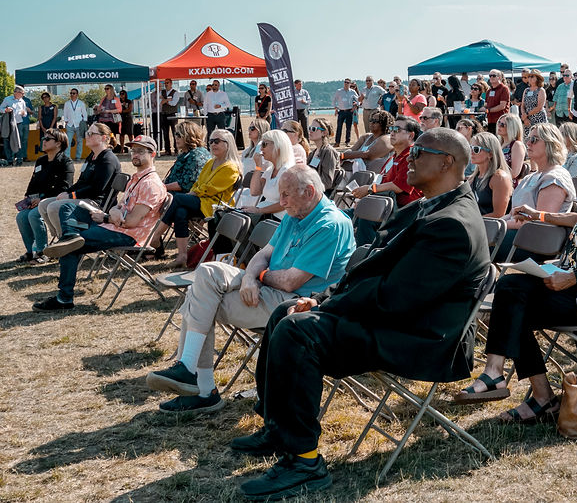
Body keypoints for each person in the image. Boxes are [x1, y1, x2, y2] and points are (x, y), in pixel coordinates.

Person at [229, 130, 489, 500]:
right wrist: (322, 297)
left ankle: (304, 460)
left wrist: (326, 305)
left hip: (420, 336)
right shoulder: (427, 206)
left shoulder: (453, 224)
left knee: (299, 331)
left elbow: (394, 297)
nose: (408, 157)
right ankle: (278, 428)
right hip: (393, 316)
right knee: (286, 312)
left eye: (418, 151)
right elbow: (368, 271)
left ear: (446, 163)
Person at [456, 117, 577, 423]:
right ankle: (530, 393)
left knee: (511, 292)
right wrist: (540, 215)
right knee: (512, 303)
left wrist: (573, 276)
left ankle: (505, 381)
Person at [147, 165, 356, 414]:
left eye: (286, 194)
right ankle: (191, 374)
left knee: (199, 298)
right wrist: (248, 279)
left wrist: (259, 277)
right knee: (207, 273)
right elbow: (265, 253)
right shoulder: (296, 212)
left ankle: (201, 387)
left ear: (309, 191)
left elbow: (291, 281)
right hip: (266, 289)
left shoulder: (329, 224)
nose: (281, 201)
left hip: (294, 305)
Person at [37, 136, 168, 311]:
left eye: (140, 151)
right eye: (133, 150)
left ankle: (64, 299)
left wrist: (107, 217)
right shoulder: (136, 178)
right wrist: (113, 212)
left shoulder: (151, 184)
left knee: (69, 247)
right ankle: (70, 236)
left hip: (128, 235)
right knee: (67, 207)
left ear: (153, 154)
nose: (135, 154)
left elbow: (130, 222)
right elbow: (121, 206)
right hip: (113, 225)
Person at [152, 129, 241, 267]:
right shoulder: (210, 163)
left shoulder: (230, 167)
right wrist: (193, 192)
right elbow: (197, 183)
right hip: (202, 202)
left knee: (179, 199)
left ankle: (156, 235)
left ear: (228, 144)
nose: (213, 144)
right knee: (180, 211)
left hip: (216, 206)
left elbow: (211, 189)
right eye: (211, 141)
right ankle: (182, 256)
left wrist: (193, 194)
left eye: (217, 141)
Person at [496, 122, 575, 257]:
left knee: (473, 246)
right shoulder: (531, 176)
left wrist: (499, 226)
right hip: (518, 234)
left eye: (534, 140)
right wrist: (494, 224)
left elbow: (539, 221)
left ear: (551, 144)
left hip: (535, 242)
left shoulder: (554, 178)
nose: (528, 144)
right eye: (528, 139)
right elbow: (512, 214)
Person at [37, 123, 120, 240]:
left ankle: (68, 241)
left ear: (104, 138)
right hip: (83, 199)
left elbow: (97, 189)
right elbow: (81, 182)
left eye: (91, 133)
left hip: (96, 204)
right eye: (87, 133)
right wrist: (67, 193)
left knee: (53, 207)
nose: (87, 136)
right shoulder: (91, 156)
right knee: (43, 205)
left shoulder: (108, 159)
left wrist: (71, 195)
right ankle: (63, 235)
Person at [16, 129, 74, 263]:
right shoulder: (41, 161)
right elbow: (33, 182)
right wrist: (28, 197)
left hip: (54, 201)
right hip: (37, 200)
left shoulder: (66, 162)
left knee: (33, 215)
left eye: (47, 139)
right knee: (21, 216)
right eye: (43, 139)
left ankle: (42, 251)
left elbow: (64, 188)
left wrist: (42, 199)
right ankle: (31, 251)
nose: (44, 142)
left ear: (59, 143)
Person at [351, 115, 423, 208]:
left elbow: (399, 187)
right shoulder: (394, 156)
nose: (392, 133)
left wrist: (369, 189)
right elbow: (382, 181)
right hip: (384, 206)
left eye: (397, 129)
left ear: (411, 135)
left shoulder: (411, 157)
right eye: (391, 129)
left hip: (400, 211)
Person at [239, 130, 295, 219]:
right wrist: (258, 167)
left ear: (277, 146)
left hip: (278, 219)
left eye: (264, 144)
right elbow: (254, 191)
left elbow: (287, 203)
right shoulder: (270, 170)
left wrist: (259, 210)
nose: (261, 148)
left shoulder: (288, 171)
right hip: (266, 215)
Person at [469, 132, 513, 217]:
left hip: (493, 228)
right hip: (478, 225)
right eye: (470, 148)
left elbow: (498, 214)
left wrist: (472, 222)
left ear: (490, 154)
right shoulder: (473, 177)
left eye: (476, 149)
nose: (471, 152)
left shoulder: (499, 178)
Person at [162, 121, 213, 194]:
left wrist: (162, 187)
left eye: (179, 135)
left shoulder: (197, 155)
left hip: (183, 198)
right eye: (175, 134)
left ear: (189, 136)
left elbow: (186, 184)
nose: (176, 138)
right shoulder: (186, 153)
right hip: (173, 194)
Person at [306, 118, 341, 193]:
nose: (310, 131)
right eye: (310, 128)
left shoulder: (328, 152)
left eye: (314, 129)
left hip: (321, 193)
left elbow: (327, 182)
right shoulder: (313, 153)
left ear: (324, 133)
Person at [2, 85, 33, 164]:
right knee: (7, 141)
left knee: (19, 141)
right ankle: (9, 160)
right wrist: (6, 110)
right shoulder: (7, 99)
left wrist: (24, 113)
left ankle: (19, 159)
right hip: (8, 123)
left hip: (18, 123)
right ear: (17, 93)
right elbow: (0, 108)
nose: (23, 95)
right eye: (22, 93)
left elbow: (25, 113)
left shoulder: (22, 101)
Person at [497, 114, 527, 185]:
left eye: (502, 124)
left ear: (511, 127)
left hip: (508, 186)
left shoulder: (516, 145)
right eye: (498, 122)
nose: (498, 126)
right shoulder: (500, 144)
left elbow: (514, 173)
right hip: (497, 183)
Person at [155, 79, 180, 156]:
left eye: (167, 83)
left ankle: (176, 149)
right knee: (165, 133)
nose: (166, 84)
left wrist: (164, 100)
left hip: (173, 114)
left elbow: (173, 103)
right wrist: (167, 100)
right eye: (165, 83)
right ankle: (167, 150)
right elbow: (159, 103)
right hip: (164, 114)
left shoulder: (175, 93)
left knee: (175, 133)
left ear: (171, 83)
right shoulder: (161, 92)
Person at [62, 87, 88, 159]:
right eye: (71, 93)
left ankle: (78, 157)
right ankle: (67, 157)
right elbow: (65, 113)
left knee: (80, 141)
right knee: (68, 142)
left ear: (77, 94)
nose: (72, 94)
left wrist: (84, 123)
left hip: (79, 125)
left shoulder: (81, 103)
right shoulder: (67, 103)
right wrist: (66, 121)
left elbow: (84, 114)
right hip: (70, 125)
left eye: (74, 93)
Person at [332, 79, 358, 145]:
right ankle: (337, 142)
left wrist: (355, 106)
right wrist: (335, 108)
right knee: (339, 127)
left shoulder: (352, 92)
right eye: (345, 82)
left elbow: (358, 100)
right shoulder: (339, 91)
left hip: (349, 111)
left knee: (348, 127)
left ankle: (347, 142)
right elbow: (334, 100)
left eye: (348, 82)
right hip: (341, 111)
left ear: (350, 84)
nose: (346, 84)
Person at [484, 70, 511, 134]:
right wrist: (482, 108)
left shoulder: (504, 89)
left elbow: (502, 106)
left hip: (501, 121)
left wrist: (488, 110)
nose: (491, 77)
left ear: (499, 77)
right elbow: (486, 105)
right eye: (490, 76)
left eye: (494, 76)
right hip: (490, 121)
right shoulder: (489, 91)